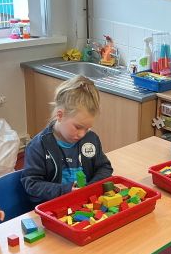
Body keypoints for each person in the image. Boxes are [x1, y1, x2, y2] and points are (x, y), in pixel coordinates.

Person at [21, 75, 113, 205]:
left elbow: (104, 168)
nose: (82, 134)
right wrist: (66, 190)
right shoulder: (38, 146)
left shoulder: (90, 139)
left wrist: (90, 188)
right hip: (53, 207)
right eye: (78, 127)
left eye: (87, 128)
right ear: (60, 115)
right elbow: (32, 184)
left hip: (85, 204)